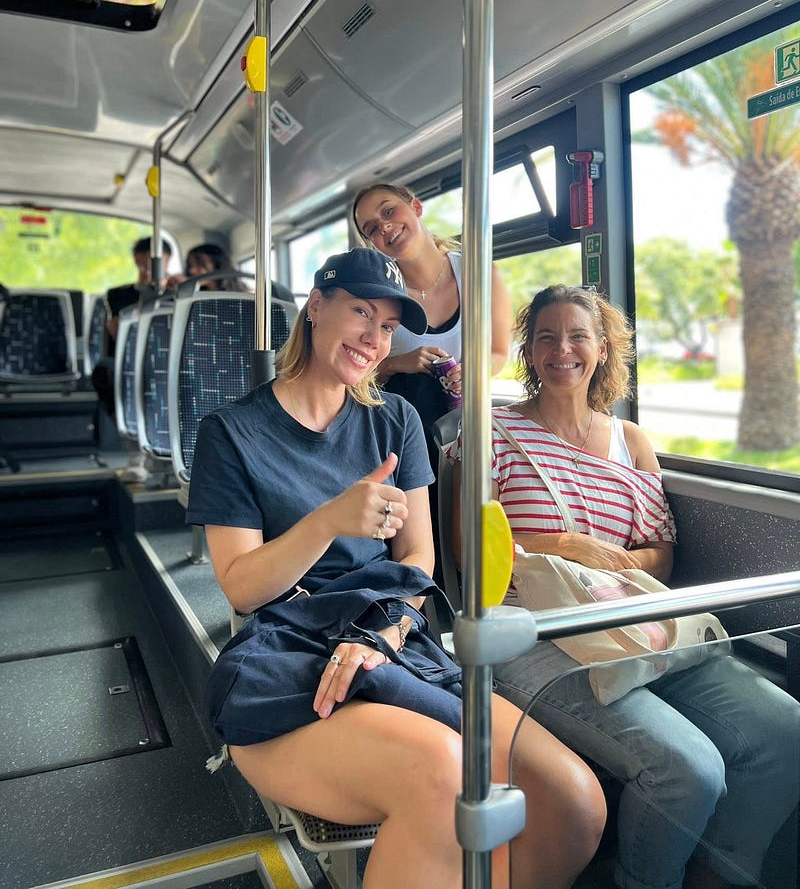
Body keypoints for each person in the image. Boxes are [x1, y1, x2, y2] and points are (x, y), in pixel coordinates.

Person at [186, 249, 605, 889]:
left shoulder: (395, 421)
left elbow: (419, 556)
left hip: (389, 639)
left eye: (387, 326)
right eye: (360, 311)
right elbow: (241, 584)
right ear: (316, 307)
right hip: (290, 654)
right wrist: (329, 519)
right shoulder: (232, 432)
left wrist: (381, 633)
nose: (373, 338)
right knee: (445, 773)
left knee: (574, 801)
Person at [448, 284, 800, 889]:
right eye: (547, 337)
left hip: (632, 618)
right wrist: (563, 546)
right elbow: (471, 555)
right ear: (529, 352)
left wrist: (605, 567)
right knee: (688, 770)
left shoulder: (630, 441)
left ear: (603, 348)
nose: (563, 349)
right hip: (537, 632)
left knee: (785, 733)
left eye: (578, 336)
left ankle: (715, 873)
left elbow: (660, 555)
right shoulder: (492, 435)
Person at [352, 182, 512, 548]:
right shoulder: (377, 292)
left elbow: (499, 351)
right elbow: (355, 373)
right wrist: (398, 362)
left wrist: (472, 372)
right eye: (372, 229)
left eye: (388, 211)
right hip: (404, 423)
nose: (384, 227)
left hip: (465, 419)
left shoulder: (479, 273)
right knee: (416, 394)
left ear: (417, 207)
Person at [91, 236, 171, 481]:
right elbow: (118, 332)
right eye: (141, 265)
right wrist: (144, 299)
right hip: (129, 357)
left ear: (166, 262)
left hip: (169, 358)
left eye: (152, 264)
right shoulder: (119, 295)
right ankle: (135, 451)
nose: (146, 270)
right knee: (107, 372)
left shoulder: (180, 292)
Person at [173, 242, 295, 302]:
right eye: (191, 265)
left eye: (200, 264)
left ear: (217, 265)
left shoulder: (244, 295)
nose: (192, 270)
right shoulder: (192, 296)